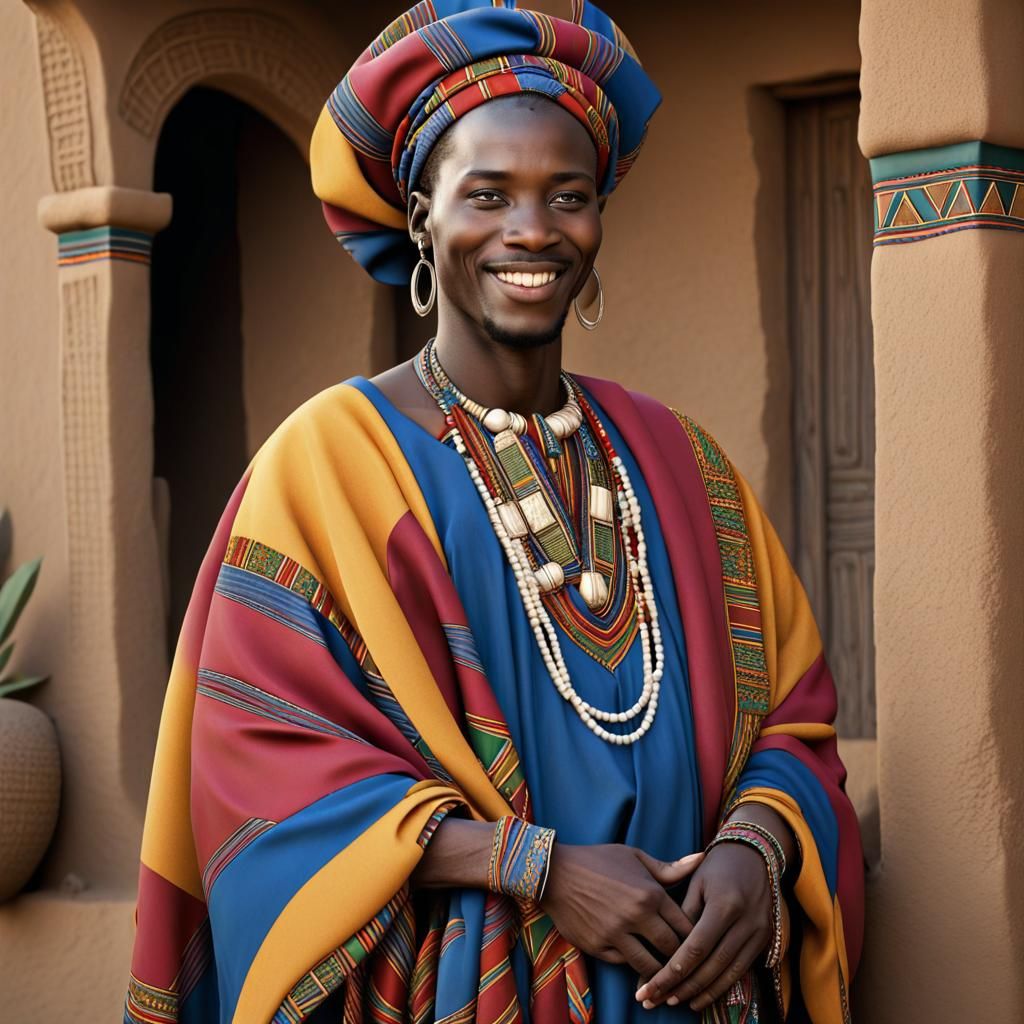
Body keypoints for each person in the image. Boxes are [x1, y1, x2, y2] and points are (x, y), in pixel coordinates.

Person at [125, 3, 863, 1023]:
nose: (531, 230)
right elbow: (259, 772)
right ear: (420, 217)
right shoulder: (331, 464)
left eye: (567, 195)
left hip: (690, 995)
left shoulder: (685, 463)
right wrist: (537, 868)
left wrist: (757, 845)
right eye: (487, 194)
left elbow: (793, 716)